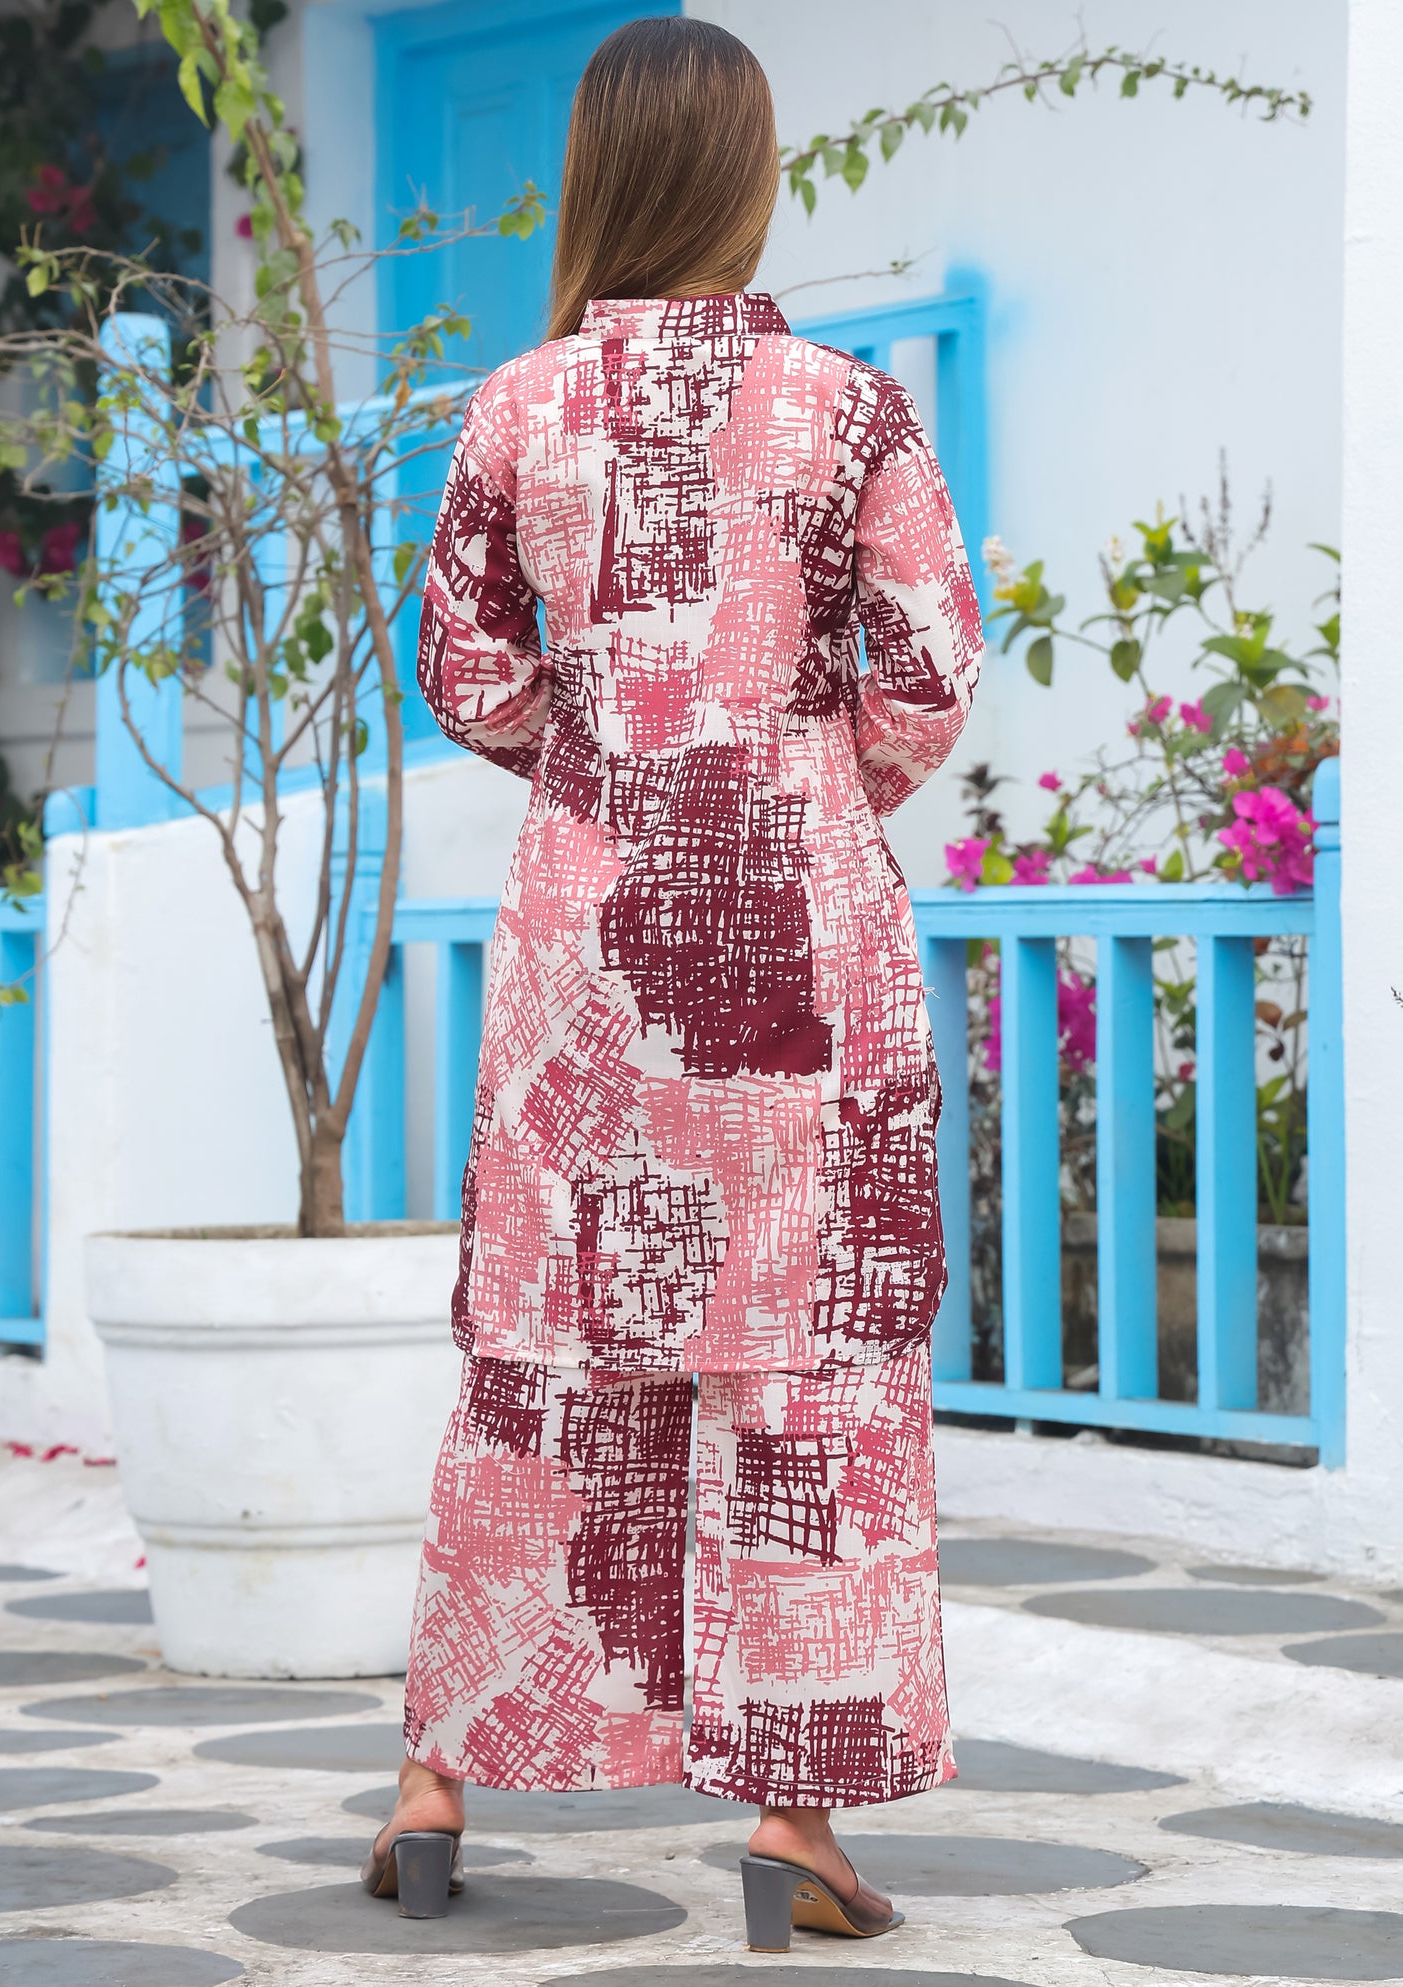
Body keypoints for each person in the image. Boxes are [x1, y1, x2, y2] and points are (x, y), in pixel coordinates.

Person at [361, 13, 983, 1954]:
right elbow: (930, 674)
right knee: (802, 1353)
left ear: (597, 176)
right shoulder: (850, 409)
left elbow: (461, 663)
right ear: (747, 177)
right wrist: (792, 786)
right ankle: (793, 1822)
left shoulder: (511, 408)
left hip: (591, 937)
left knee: (548, 1340)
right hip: (800, 939)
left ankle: (435, 1782)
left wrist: (609, 766)